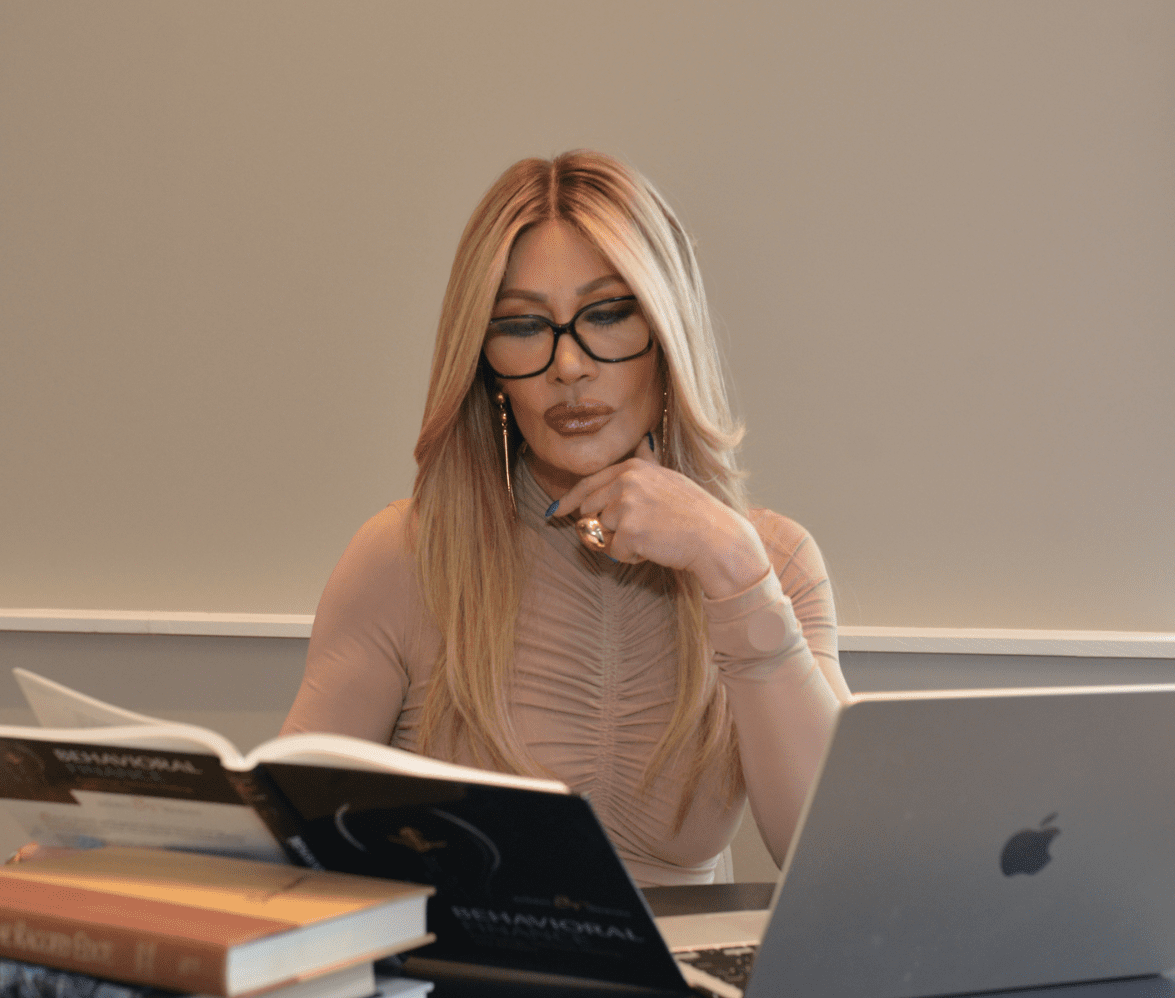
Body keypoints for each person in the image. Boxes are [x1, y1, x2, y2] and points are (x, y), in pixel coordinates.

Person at [279, 151, 850, 887]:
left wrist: (733, 568)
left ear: (668, 332)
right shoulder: (405, 557)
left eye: (609, 314)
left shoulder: (772, 559)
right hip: (476, 996)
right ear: (483, 362)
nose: (569, 366)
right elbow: (285, 853)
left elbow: (838, 865)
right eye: (521, 325)